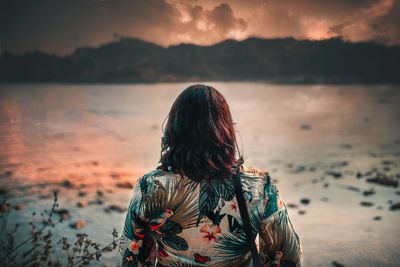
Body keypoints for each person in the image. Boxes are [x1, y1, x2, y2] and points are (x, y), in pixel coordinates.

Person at [116, 84, 303, 266]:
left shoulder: (150, 187)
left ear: (175, 129)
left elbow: (130, 258)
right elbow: (288, 257)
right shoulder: (259, 187)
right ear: (225, 129)